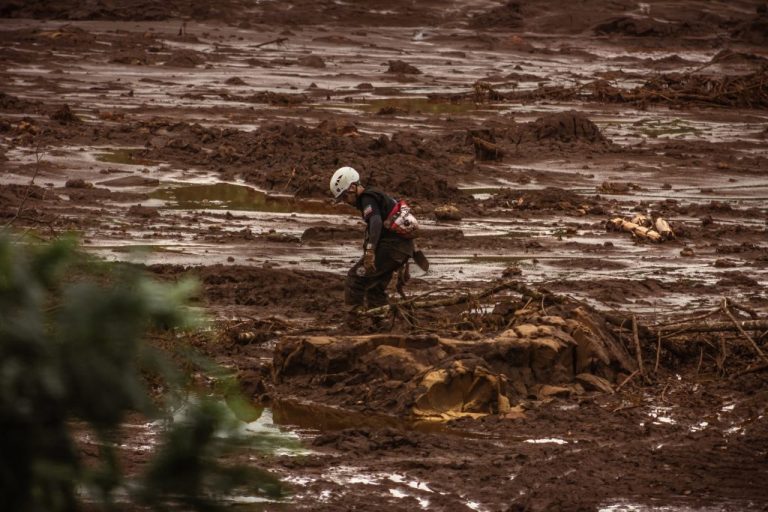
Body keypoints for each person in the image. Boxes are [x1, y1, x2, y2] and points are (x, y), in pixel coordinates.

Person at [330, 166, 414, 330]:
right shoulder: (376, 196)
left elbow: (375, 222)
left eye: (345, 196)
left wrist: (370, 251)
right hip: (401, 250)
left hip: (391, 249)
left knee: (355, 278)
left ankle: (353, 323)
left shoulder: (367, 198)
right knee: (375, 287)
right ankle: (380, 324)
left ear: (353, 187)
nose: (346, 201)